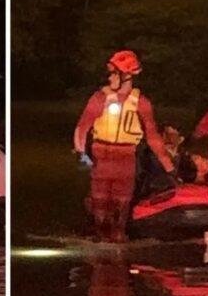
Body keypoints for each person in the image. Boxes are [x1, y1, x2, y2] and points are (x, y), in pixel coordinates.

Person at [73, 50, 175, 242]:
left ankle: (118, 241)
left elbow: (152, 137)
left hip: (126, 158)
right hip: (101, 157)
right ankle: (99, 237)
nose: (109, 77)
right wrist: (81, 154)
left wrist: (168, 166)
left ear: (126, 75)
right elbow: (82, 128)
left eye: (113, 73)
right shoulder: (99, 99)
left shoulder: (141, 103)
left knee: (122, 205)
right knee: (100, 204)